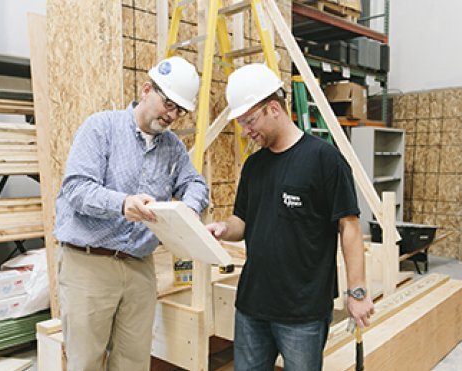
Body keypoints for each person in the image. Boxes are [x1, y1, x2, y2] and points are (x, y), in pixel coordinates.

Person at [206, 64, 375, 371]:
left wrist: (358, 292)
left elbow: (348, 227)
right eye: (241, 123)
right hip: (252, 306)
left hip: (303, 312)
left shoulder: (324, 159)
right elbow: (242, 221)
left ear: (273, 108)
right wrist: (222, 228)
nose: (246, 131)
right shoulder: (254, 166)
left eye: (249, 120)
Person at [54, 56, 209, 371]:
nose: (172, 116)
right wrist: (122, 203)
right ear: (146, 88)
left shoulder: (173, 149)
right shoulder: (102, 127)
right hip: (89, 263)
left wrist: (188, 207)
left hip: (139, 268)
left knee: (134, 363)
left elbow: (196, 184)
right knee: (85, 362)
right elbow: (76, 189)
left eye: (180, 110)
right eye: (168, 104)